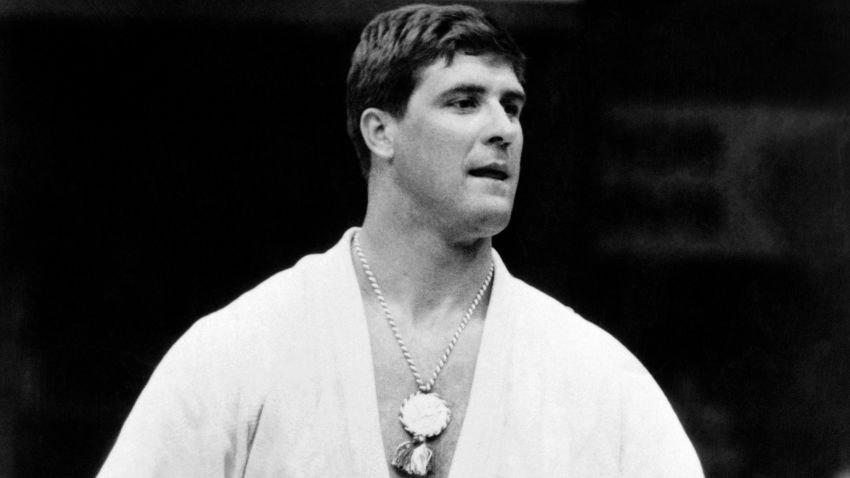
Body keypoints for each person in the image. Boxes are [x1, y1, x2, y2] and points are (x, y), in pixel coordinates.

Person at [97, 4, 704, 477]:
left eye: (512, 107)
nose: (503, 130)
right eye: (464, 102)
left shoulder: (597, 377)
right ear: (381, 132)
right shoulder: (241, 350)